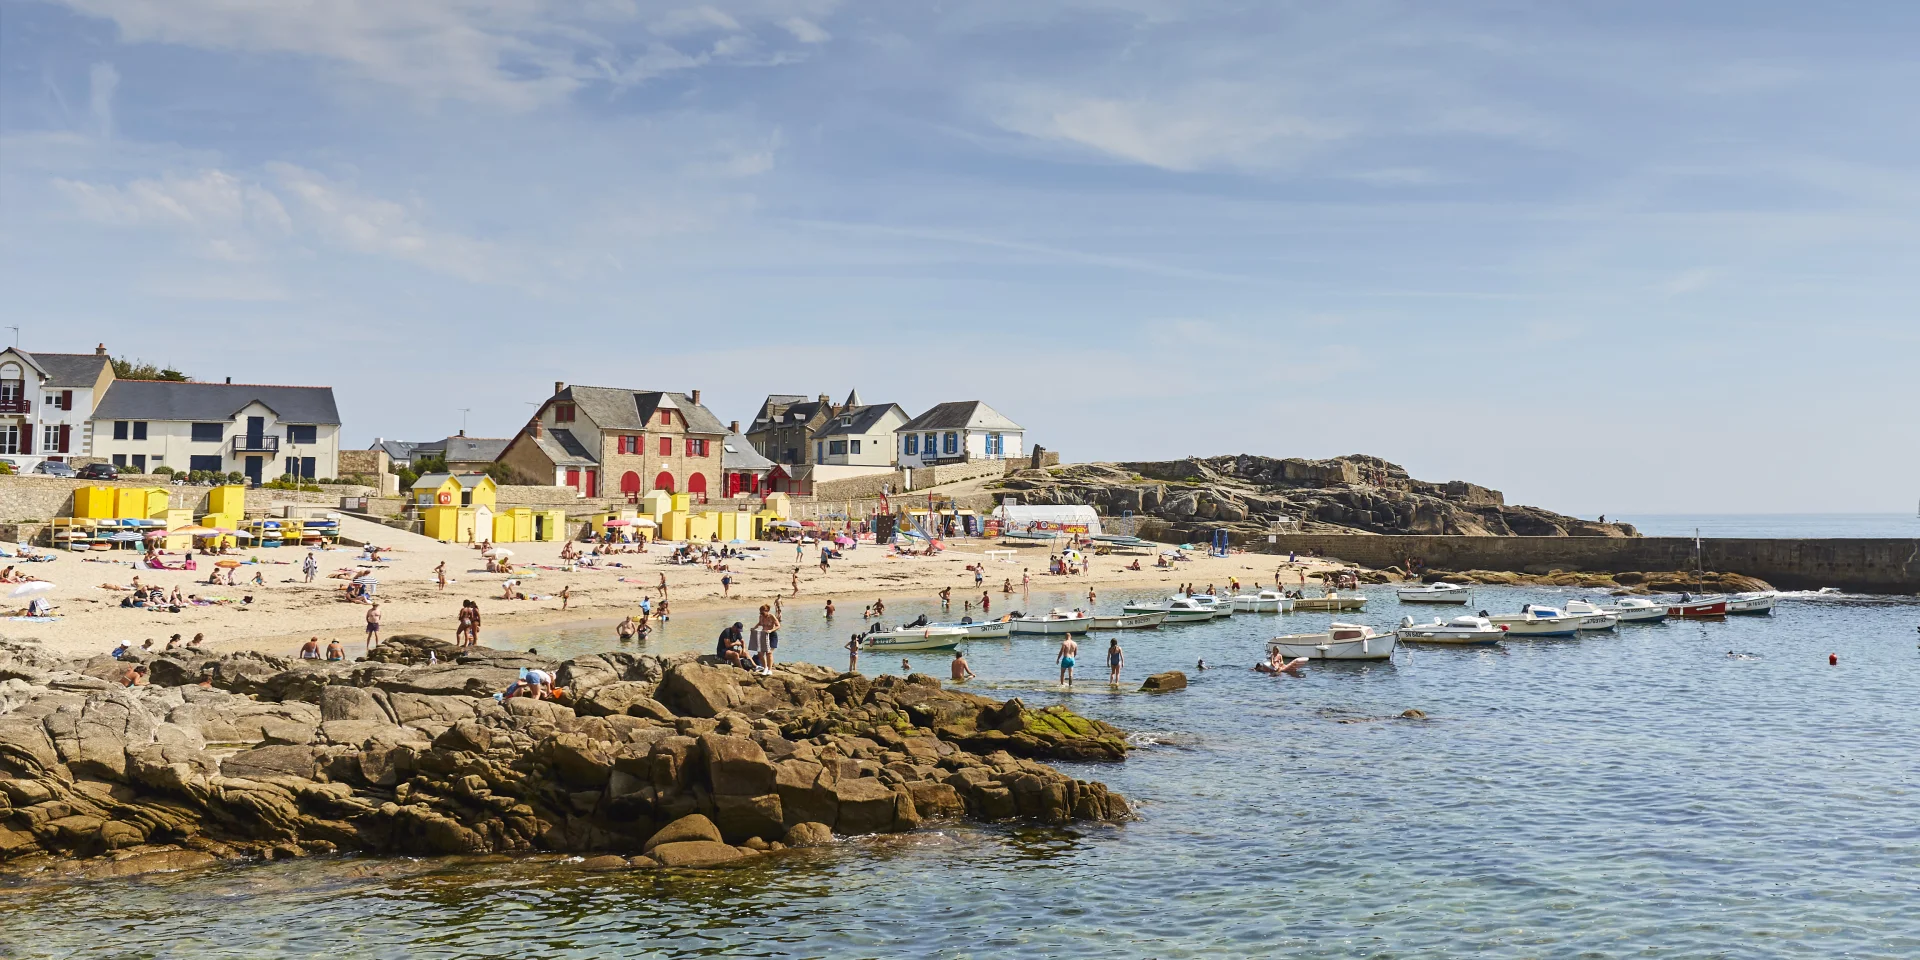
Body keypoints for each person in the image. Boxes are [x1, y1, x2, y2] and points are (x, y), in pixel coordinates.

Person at [756, 603, 781, 673]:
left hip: (772, 635)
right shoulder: (761, 617)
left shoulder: (771, 616)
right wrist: (754, 627)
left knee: (769, 652)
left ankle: (770, 670)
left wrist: (771, 630)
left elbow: (778, 625)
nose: (761, 614)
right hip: (763, 635)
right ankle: (765, 667)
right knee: (760, 653)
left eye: (762, 612)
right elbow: (759, 623)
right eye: (760, 612)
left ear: (767, 611)